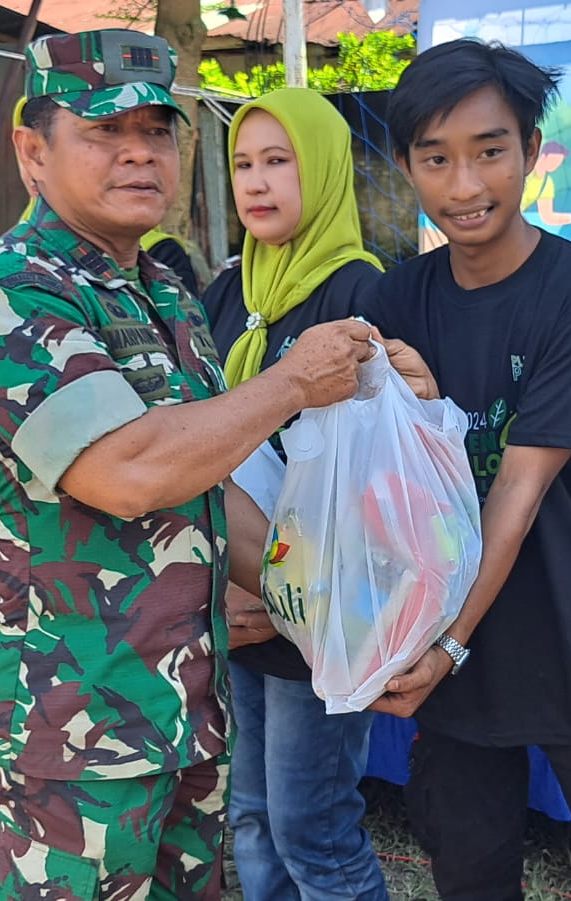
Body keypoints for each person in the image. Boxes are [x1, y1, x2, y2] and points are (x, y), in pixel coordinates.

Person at [0, 29, 376, 900]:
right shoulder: (9, 289)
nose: (139, 153)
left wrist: (333, 612)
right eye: (104, 131)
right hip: (69, 725)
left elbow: (209, 483)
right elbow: (126, 472)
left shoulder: (164, 293)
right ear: (32, 151)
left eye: (157, 131)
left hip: (182, 711)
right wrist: (292, 380)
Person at [361, 39, 571, 901]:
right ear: (406, 165)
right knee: (470, 875)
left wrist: (447, 642)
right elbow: (374, 478)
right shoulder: (394, 302)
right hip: (456, 657)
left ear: (532, 150)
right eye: (436, 159)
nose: (465, 185)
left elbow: (518, 487)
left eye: (489, 152)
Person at [198, 87, 390, 901]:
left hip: (321, 607)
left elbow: (379, 467)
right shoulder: (230, 293)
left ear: (324, 168)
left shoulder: (361, 293)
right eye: (243, 162)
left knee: (312, 824)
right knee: (249, 814)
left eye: (278, 161)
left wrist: (291, 593)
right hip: (240, 594)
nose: (256, 181)